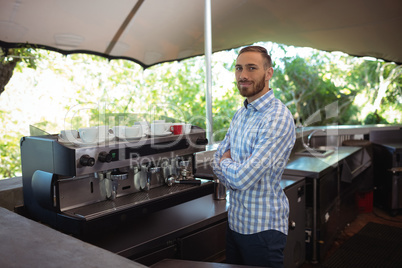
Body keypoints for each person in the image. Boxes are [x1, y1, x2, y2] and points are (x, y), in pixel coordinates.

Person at [212, 46, 296, 268]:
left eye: (252, 68)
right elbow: (216, 159)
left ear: (269, 73)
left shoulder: (277, 118)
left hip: (262, 230)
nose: (243, 75)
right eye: (239, 68)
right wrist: (228, 164)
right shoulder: (241, 113)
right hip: (236, 223)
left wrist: (226, 163)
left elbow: (241, 178)